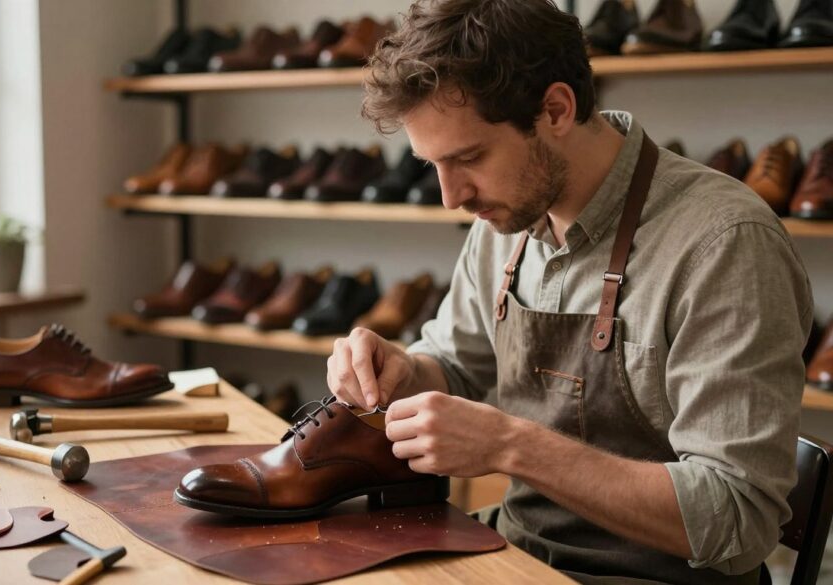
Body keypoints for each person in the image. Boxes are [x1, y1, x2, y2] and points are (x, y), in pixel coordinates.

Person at [326, 1, 814, 583]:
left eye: (469, 158)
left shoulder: (723, 243)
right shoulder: (504, 221)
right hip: (520, 555)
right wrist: (403, 370)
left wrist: (512, 445)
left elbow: (737, 520)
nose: (450, 197)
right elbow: (455, 365)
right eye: (432, 165)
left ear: (556, 109)